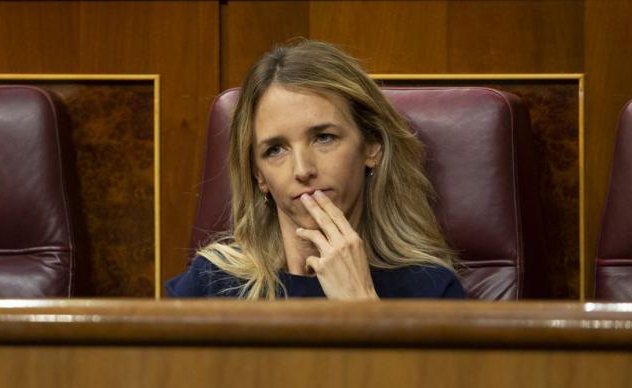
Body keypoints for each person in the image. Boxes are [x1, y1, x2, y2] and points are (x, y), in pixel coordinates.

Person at [167, 39, 465, 300]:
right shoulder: (210, 283)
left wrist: (361, 306)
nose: (302, 169)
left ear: (371, 147)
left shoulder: (430, 288)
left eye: (324, 137)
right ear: (260, 177)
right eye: (275, 150)